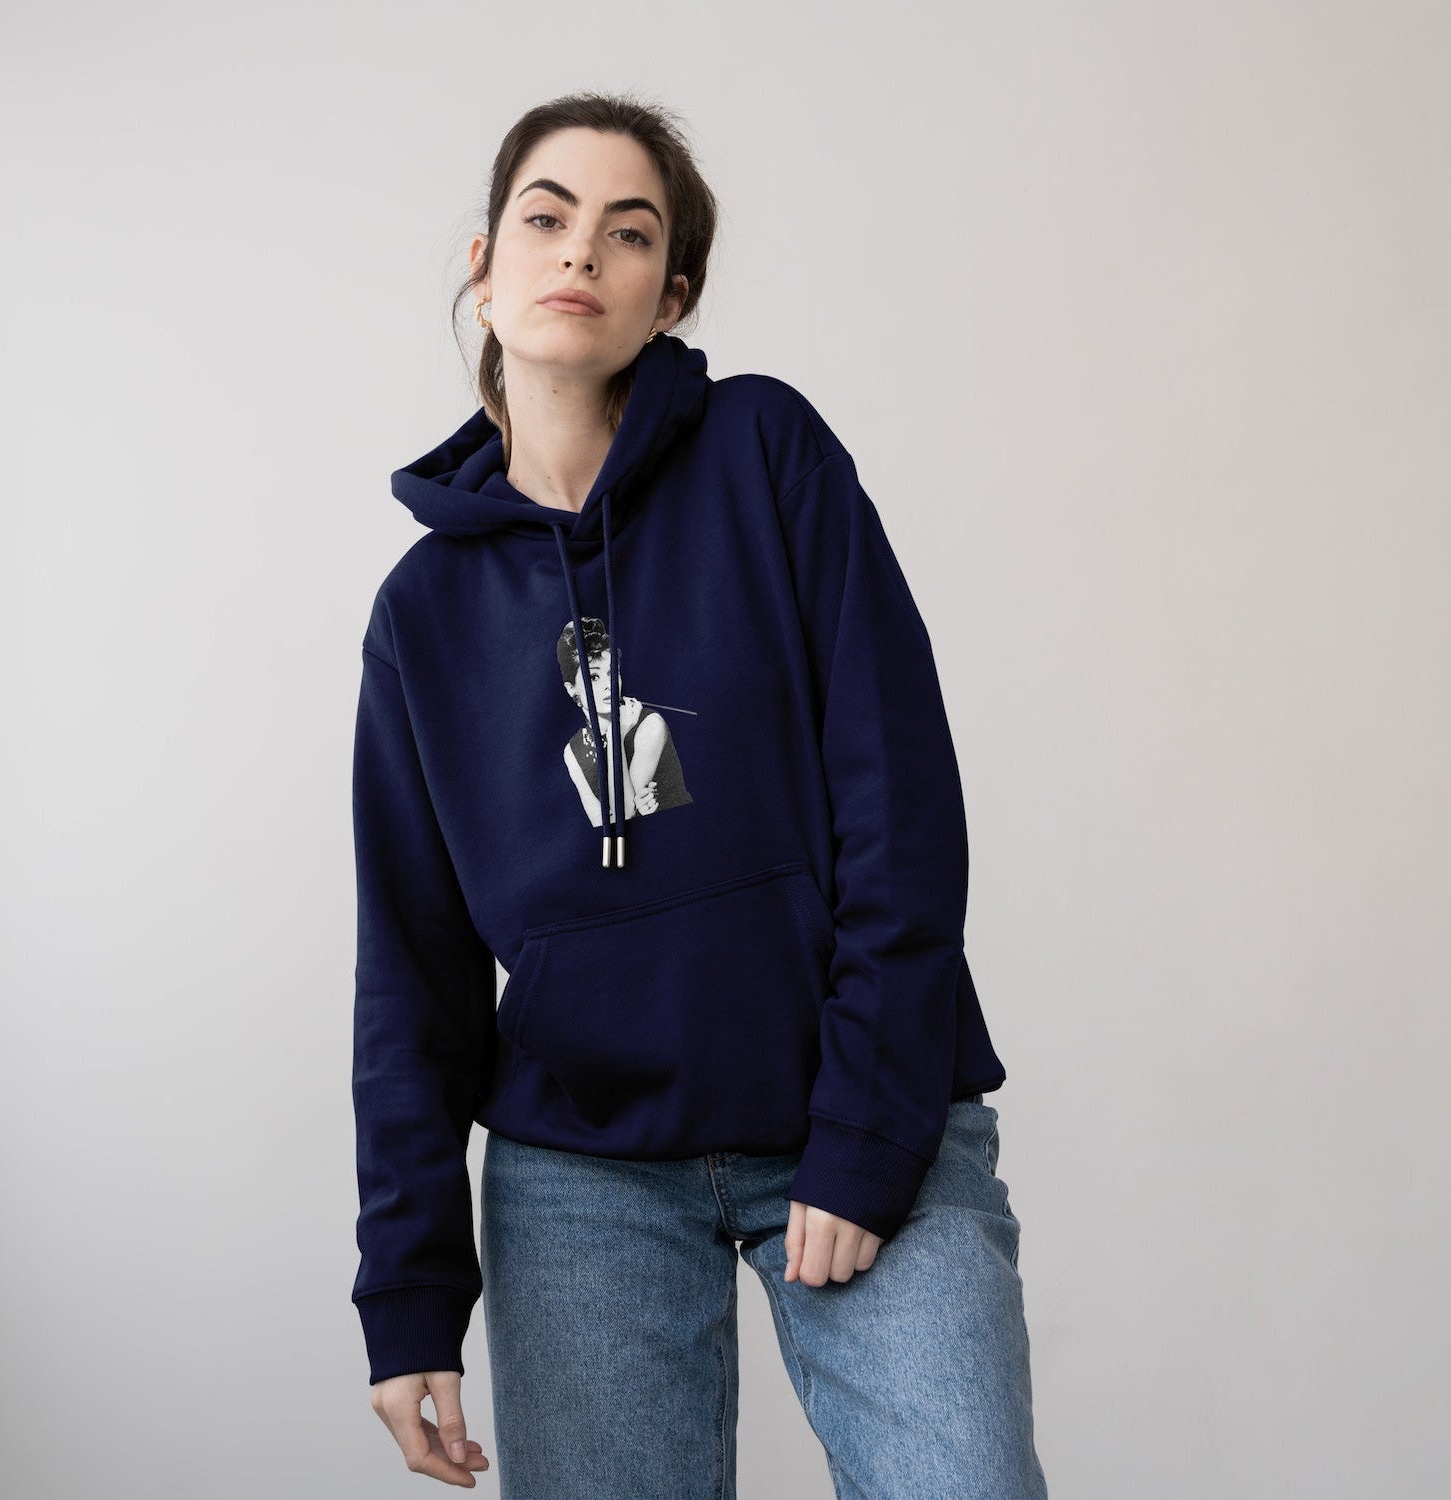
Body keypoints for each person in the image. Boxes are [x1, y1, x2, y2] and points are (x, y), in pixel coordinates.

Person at [350, 90, 1049, 1498]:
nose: (580, 252)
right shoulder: (423, 613)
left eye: (629, 232)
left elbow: (900, 805)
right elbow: (412, 972)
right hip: (583, 1172)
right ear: (484, 265)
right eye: (547, 218)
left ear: (670, 295)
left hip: (852, 1101)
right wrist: (411, 1291)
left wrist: (867, 1135)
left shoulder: (764, 454)